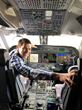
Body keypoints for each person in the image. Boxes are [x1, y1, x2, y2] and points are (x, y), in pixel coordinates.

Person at [9, 38, 77, 86]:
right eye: (24, 48)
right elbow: (29, 72)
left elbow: (21, 49)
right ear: (18, 48)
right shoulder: (15, 60)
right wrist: (57, 76)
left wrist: (28, 46)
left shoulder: (15, 53)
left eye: (29, 49)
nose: (27, 51)